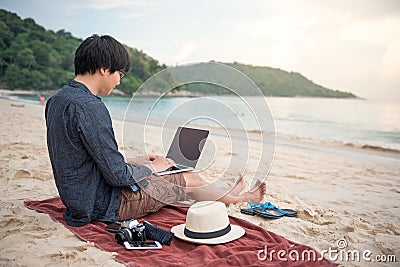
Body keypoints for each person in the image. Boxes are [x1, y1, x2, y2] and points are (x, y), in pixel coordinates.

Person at [45, 34, 266, 226]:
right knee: (187, 177)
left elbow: (83, 157)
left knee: (177, 174)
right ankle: (240, 198)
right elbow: (117, 177)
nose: (119, 82)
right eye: (120, 74)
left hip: (79, 200)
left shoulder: (57, 101)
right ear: (104, 69)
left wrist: (137, 161)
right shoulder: (90, 107)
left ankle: (230, 194)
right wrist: (152, 168)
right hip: (103, 205)